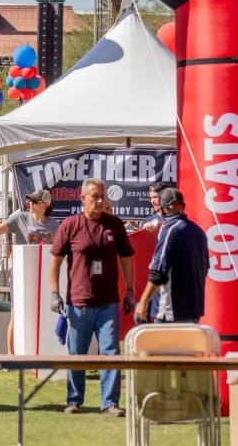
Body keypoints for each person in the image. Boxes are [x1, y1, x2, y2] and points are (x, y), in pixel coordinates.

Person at [49, 178, 135, 417]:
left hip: (109, 302)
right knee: (77, 353)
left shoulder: (115, 225)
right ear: (83, 198)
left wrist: (130, 291)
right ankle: (74, 401)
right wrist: (54, 293)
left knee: (110, 352)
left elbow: (127, 258)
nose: (100, 200)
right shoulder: (70, 225)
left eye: (102, 196)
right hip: (78, 302)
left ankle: (110, 403)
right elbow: (55, 261)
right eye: (95, 196)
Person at [0, 189, 60, 352]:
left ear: (45, 204)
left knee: (43, 317)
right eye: (30, 201)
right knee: (16, 316)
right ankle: (11, 357)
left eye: (34, 201)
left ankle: (41, 354)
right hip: (21, 276)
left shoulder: (55, 226)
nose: (30, 204)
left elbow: (61, 251)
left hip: (44, 278)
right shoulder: (20, 218)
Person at [134, 188, 209, 325]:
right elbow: (204, 270)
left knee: (159, 345)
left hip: (170, 311)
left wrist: (144, 302)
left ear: (161, 209)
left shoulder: (169, 230)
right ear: (183, 207)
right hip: (193, 309)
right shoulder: (199, 231)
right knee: (185, 347)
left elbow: (158, 272)